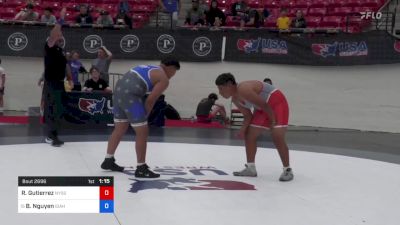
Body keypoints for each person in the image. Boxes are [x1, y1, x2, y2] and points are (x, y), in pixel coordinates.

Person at [100, 59, 180, 178]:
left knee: (119, 129)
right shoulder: (163, 78)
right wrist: (144, 117)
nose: (173, 75)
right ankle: (141, 167)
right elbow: (151, 99)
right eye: (175, 71)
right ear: (171, 68)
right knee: (142, 131)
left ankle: (108, 160)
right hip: (130, 95)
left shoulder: (148, 67)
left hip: (117, 93)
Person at [215, 73, 293, 181]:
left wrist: (273, 121)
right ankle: (251, 168)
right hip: (263, 108)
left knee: (277, 136)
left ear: (229, 84)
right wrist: (242, 130)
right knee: (249, 135)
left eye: (221, 88)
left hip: (277, 103)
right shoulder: (235, 99)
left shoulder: (243, 89)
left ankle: (287, 170)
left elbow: (265, 105)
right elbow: (248, 115)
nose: (220, 92)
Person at [43, 8, 71, 147]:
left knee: (59, 109)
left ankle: (55, 134)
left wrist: (69, 78)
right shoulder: (49, 46)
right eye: (58, 33)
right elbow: (54, 33)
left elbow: (65, 66)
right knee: (52, 109)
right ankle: (50, 136)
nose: (60, 34)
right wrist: (61, 18)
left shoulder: (60, 50)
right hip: (52, 83)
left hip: (60, 83)